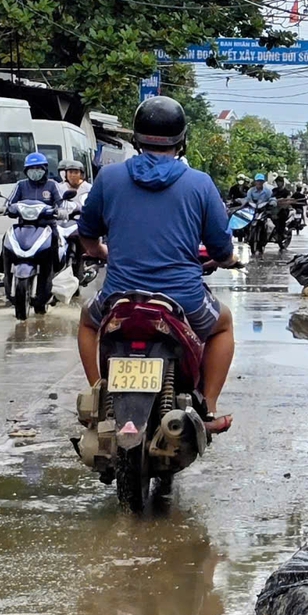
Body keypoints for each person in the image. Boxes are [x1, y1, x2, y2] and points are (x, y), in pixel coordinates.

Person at [74, 95, 236, 432]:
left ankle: (97, 397)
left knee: (87, 322)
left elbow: (87, 234)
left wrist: (102, 252)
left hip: (119, 298)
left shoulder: (109, 178)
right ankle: (208, 407)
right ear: (182, 139)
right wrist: (228, 259)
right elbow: (221, 248)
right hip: (183, 302)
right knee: (223, 325)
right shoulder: (200, 183)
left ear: (135, 138)